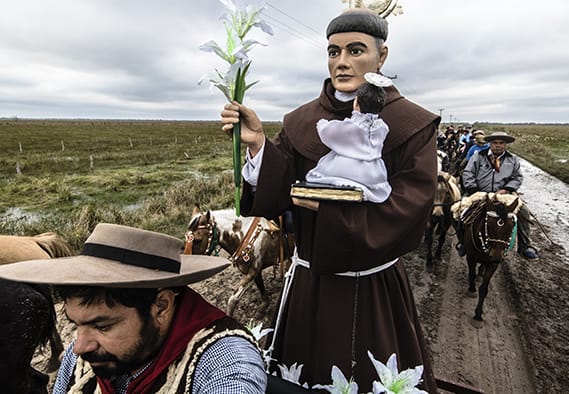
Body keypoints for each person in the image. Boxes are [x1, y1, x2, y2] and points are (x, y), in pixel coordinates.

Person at [220, 7, 439, 392]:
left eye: (356, 51)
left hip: (373, 289)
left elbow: (411, 207)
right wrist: (257, 146)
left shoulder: (411, 124)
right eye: (333, 51)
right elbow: (280, 184)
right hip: (309, 282)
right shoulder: (301, 121)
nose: (341, 62)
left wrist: (333, 211)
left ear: (381, 56)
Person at [0, 223, 267, 393]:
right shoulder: (80, 358)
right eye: (75, 324)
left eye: (101, 325)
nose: (79, 346)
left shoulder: (223, 362)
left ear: (160, 306)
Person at [305, 73, 393, 203]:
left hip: (349, 168)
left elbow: (331, 132)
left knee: (328, 173)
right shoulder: (381, 126)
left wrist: (322, 124)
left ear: (356, 102)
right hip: (373, 172)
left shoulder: (353, 125)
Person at [456, 131, 539, 259]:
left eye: (501, 143)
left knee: (523, 212)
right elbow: (468, 173)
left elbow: (517, 177)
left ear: (505, 145)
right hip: (479, 192)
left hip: (504, 194)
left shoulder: (512, 159)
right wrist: (473, 189)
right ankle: (463, 242)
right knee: (460, 210)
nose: (498, 146)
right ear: (490, 144)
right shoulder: (479, 156)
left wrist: (507, 189)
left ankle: (525, 245)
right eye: (495, 143)